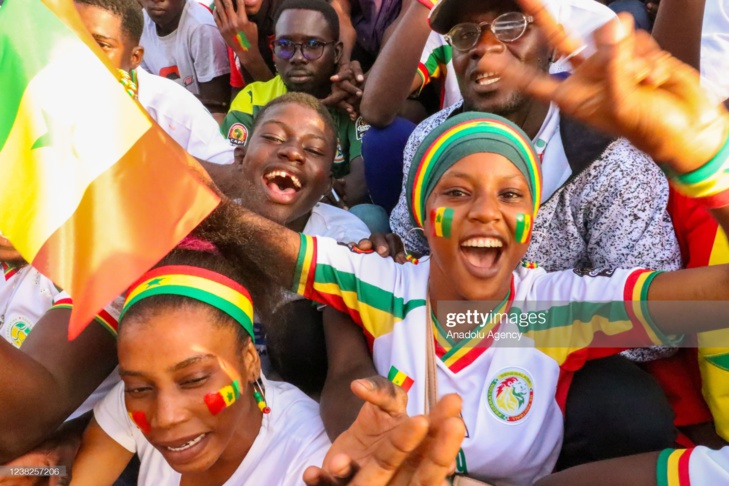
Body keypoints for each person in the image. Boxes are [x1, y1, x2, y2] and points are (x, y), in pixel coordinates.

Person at [331, 0, 682, 463]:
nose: (486, 47)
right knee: (314, 324)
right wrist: (389, 251)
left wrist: (517, 330)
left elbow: (662, 330)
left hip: (556, 350)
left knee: (627, 409)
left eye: (511, 25)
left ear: (552, 47)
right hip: (442, 335)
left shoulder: (611, 157)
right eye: (465, 35)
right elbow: (412, 245)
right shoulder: (433, 137)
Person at [70, 243, 465, 485]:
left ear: (249, 360)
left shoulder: (310, 458)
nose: (165, 416)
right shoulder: (135, 404)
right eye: (139, 386)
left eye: (193, 379)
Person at [221, 0, 374, 212]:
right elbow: (229, 173)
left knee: (369, 215)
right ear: (273, 50)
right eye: (285, 46)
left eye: (313, 46)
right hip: (259, 212)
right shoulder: (251, 99)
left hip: (332, 217)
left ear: (338, 52)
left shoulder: (350, 99)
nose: (297, 57)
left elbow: (358, 185)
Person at [76, 0, 235, 165]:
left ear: (134, 57)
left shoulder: (175, 113)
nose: (83, 51)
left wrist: (163, 160)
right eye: (73, 36)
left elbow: (227, 170)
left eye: (102, 45)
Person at [138, 0, 231, 120]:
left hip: (200, 122)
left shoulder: (201, 28)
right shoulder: (141, 24)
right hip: (165, 117)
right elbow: (146, 90)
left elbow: (216, 107)